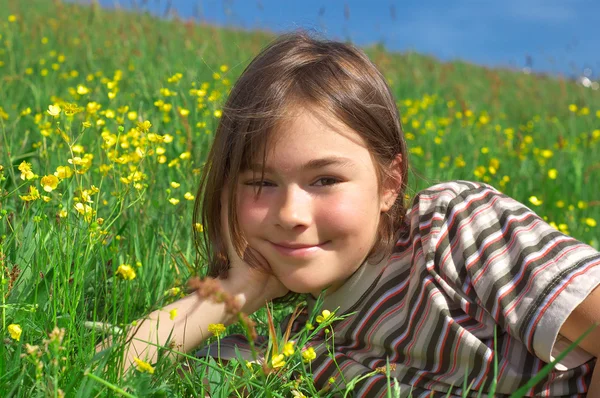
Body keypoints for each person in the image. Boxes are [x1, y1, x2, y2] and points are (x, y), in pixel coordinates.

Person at [109, 31, 600, 396]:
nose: (291, 214)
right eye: (261, 183)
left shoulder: (455, 231)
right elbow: (105, 372)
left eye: (324, 180)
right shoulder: (288, 351)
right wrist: (236, 294)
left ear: (389, 184)